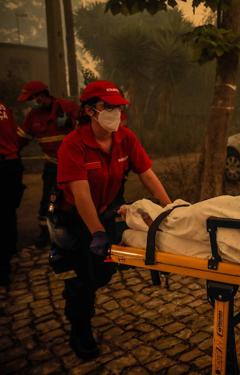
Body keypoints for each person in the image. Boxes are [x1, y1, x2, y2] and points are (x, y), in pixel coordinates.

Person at [55, 80, 171, 360]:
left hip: (107, 211)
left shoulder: (125, 138)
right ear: (90, 111)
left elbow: (147, 174)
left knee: (104, 271)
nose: (115, 113)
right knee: (89, 273)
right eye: (108, 107)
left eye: (119, 108)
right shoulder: (74, 145)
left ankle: (84, 283)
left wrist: (170, 207)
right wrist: (96, 232)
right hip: (79, 219)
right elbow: (80, 195)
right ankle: (80, 327)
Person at [16, 80, 79, 246]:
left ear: (45, 93)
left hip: (73, 166)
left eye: (38, 97)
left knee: (77, 198)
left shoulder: (67, 107)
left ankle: (79, 228)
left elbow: (86, 128)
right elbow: (19, 140)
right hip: (52, 166)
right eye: (33, 98)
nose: (36, 101)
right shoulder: (33, 116)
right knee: (50, 200)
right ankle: (46, 232)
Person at [0, 100, 24, 287]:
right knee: (7, 213)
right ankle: (9, 251)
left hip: (4, 164)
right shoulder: (3, 107)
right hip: (12, 164)